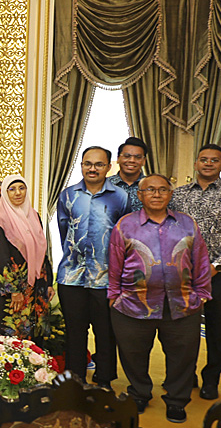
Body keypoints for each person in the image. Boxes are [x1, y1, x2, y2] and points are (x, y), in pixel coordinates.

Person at [109, 174, 212, 423]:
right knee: (133, 354)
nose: (156, 194)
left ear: (170, 194)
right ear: (140, 195)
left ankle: (177, 401)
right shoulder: (125, 225)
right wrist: (114, 296)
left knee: (183, 356)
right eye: (150, 189)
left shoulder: (188, 224)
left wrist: (203, 294)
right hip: (134, 305)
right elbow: (114, 263)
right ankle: (139, 393)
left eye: (162, 189)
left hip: (182, 304)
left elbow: (200, 260)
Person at [170, 144, 221, 400]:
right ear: (196, 164)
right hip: (183, 276)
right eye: (203, 160)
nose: (208, 164)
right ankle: (185, 376)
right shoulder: (178, 195)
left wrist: (215, 266)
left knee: (217, 331)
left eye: (214, 160)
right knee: (183, 332)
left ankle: (211, 380)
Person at [56, 146, 129, 389]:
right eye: (88, 163)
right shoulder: (67, 195)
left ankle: (104, 379)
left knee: (106, 332)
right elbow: (64, 231)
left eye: (99, 164)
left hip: (105, 278)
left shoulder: (120, 197)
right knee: (75, 332)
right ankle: (74, 380)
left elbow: (124, 237)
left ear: (109, 167)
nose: (92, 168)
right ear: (82, 166)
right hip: (71, 276)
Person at [0, 175, 52, 341]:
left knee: (35, 340)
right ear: (5, 193)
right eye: (12, 189)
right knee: (12, 337)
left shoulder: (34, 216)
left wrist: (49, 283)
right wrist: (13, 290)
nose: (18, 193)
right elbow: (0, 259)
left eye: (21, 188)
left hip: (37, 287)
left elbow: (42, 251)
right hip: (13, 291)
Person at [108, 137, 148, 212]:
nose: (132, 160)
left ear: (144, 161)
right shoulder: (105, 185)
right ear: (118, 159)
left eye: (138, 157)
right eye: (127, 156)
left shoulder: (152, 186)